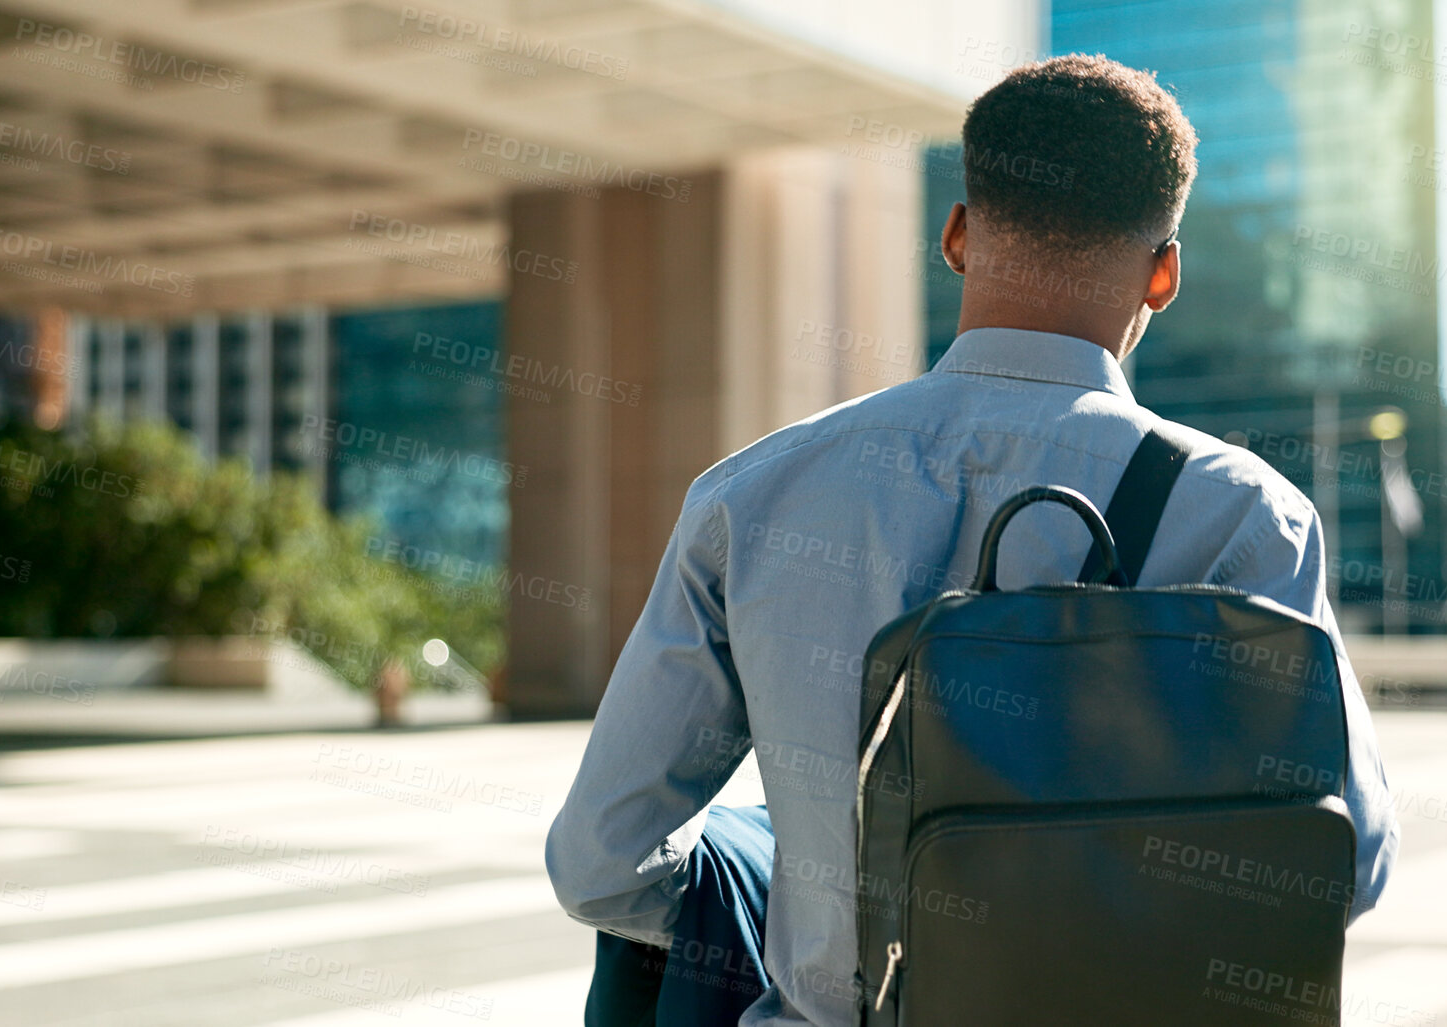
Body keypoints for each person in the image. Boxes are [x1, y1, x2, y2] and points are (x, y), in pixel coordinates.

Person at [546, 54, 1400, 1027]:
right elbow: (1346, 867)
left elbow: (602, 864)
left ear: (955, 234)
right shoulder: (1246, 516)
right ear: (1163, 271)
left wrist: (813, 921)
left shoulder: (752, 495)